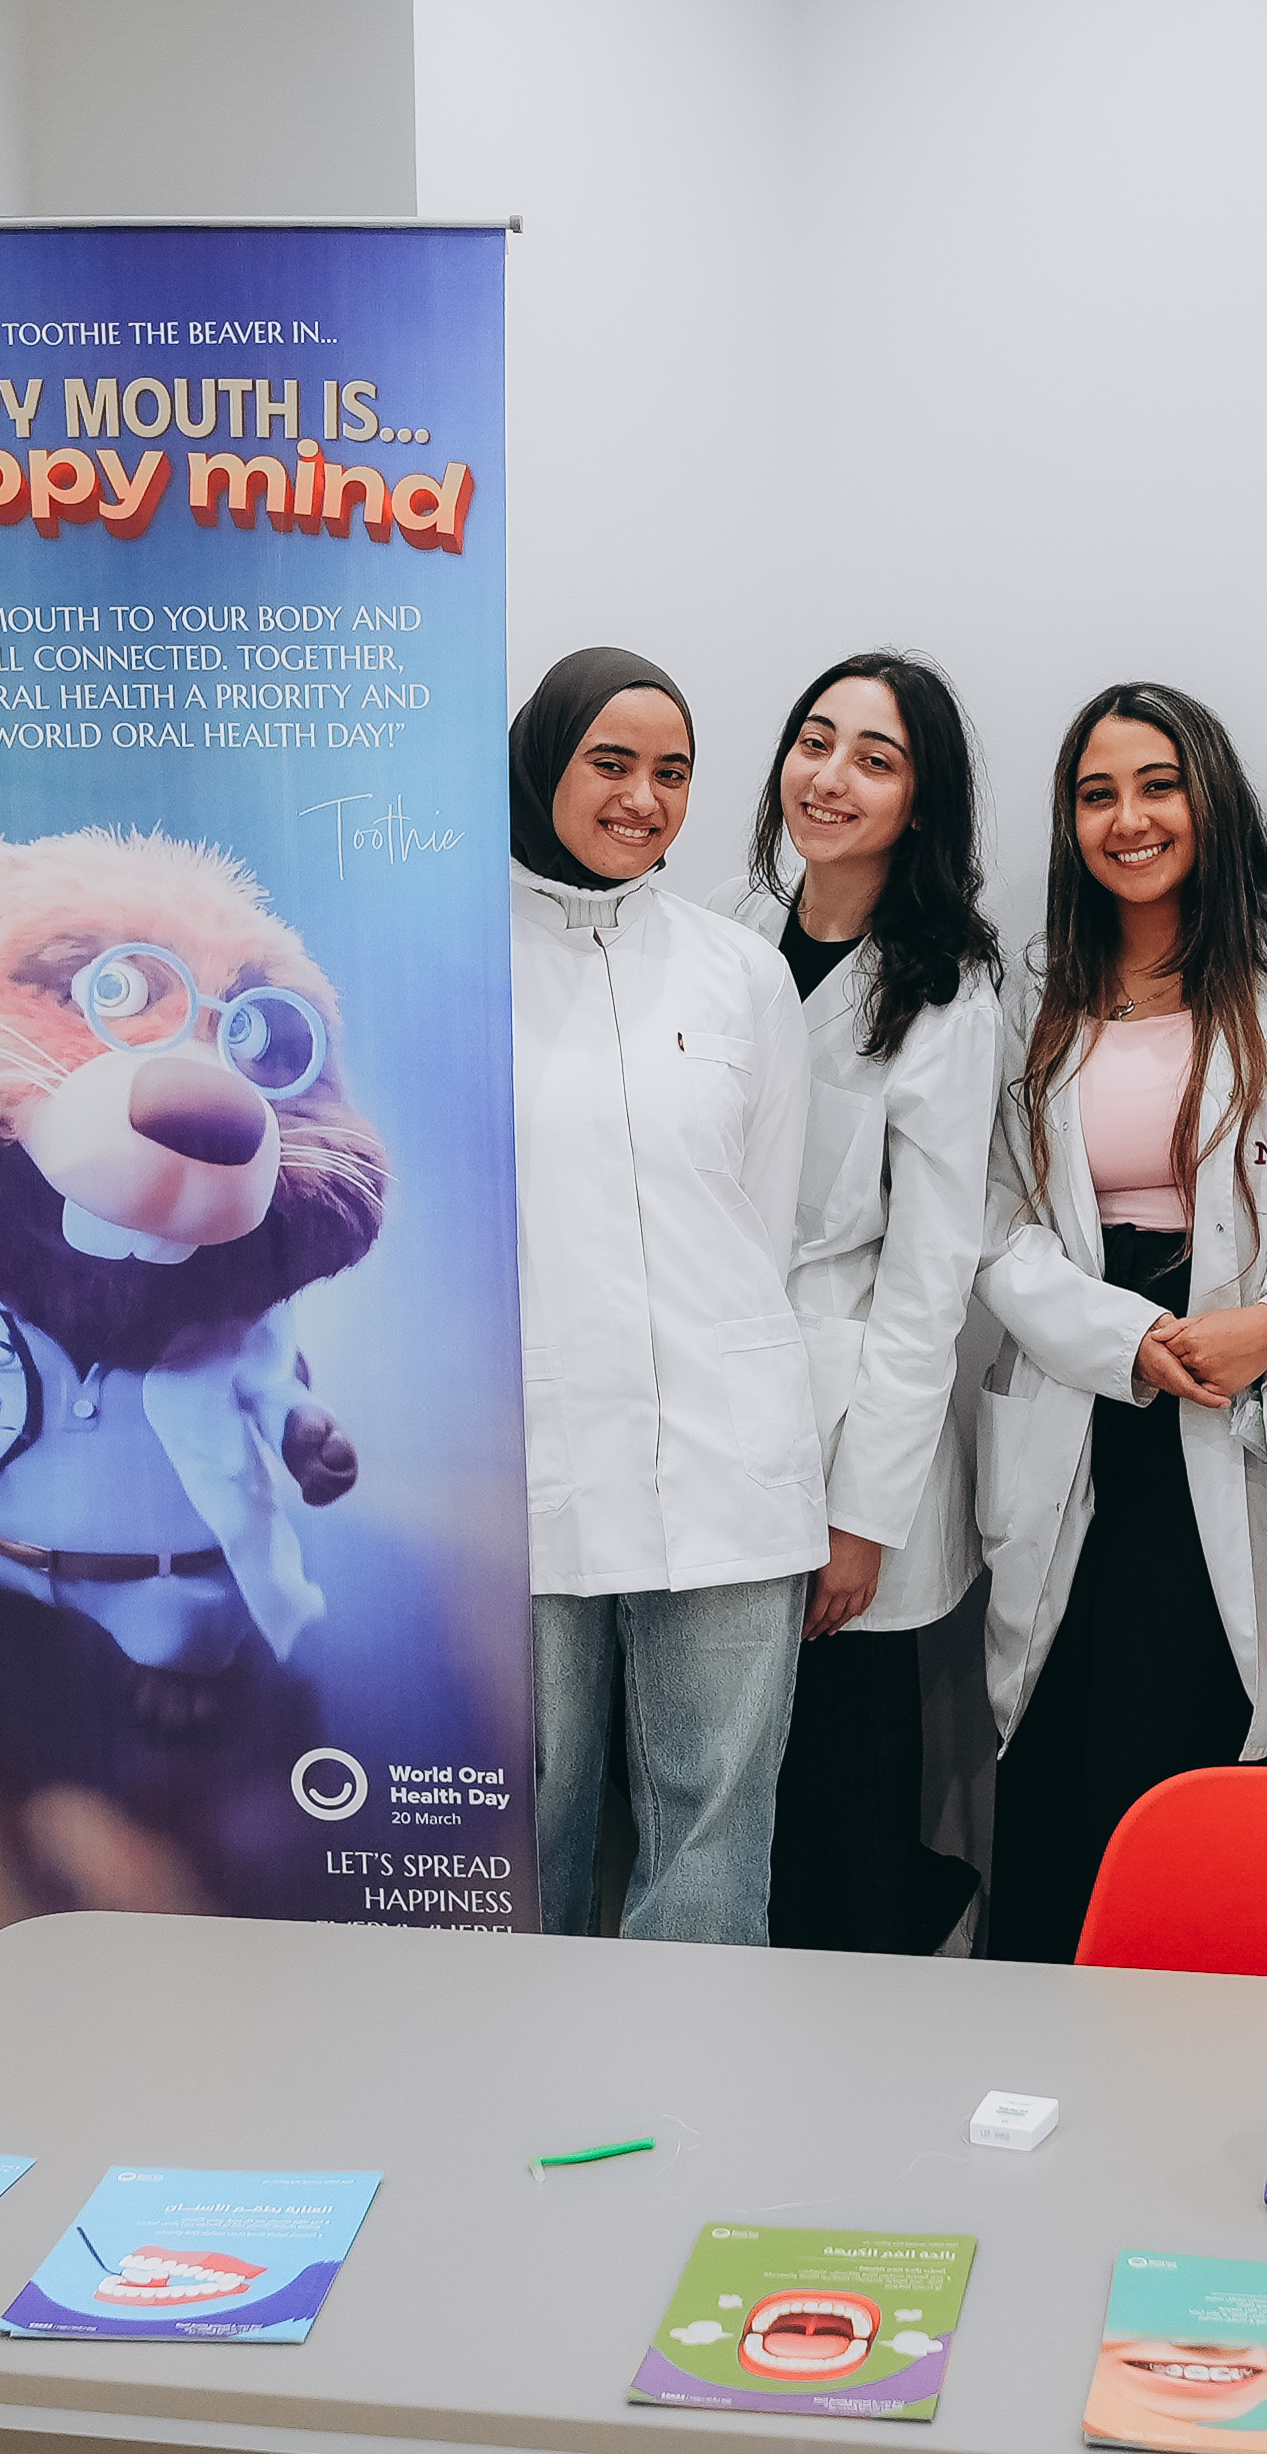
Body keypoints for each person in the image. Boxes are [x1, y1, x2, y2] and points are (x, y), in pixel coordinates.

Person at [972, 682, 1267, 1963]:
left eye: (1156, 786)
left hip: (1239, 1387)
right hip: (1093, 1391)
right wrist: (1118, 1339)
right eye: (1096, 795)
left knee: (1192, 1755)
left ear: (1209, 794)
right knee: (1059, 1760)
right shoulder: (1044, 980)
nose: (1127, 819)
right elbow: (998, 1221)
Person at [506, 646, 818, 1945]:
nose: (643, 797)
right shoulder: (452, 963)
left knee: (711, 1843)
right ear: (540, 761)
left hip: (720, 1456)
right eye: (610, 763)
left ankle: (695, 2064)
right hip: (522, 1458)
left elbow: (767, 1214)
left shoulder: (738, 972)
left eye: (672, 771)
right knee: (522, 1828)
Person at [738, 653, 1002, 1954]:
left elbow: (926, 1282)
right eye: (813, 740)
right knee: (718, 1787)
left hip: (843, 1423)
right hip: (709, 1409)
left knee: (834, 1805)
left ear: (919, 801)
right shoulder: (722, 935)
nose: (829, 776)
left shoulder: (942, 987)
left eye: (874, 758)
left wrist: (861, 1519)